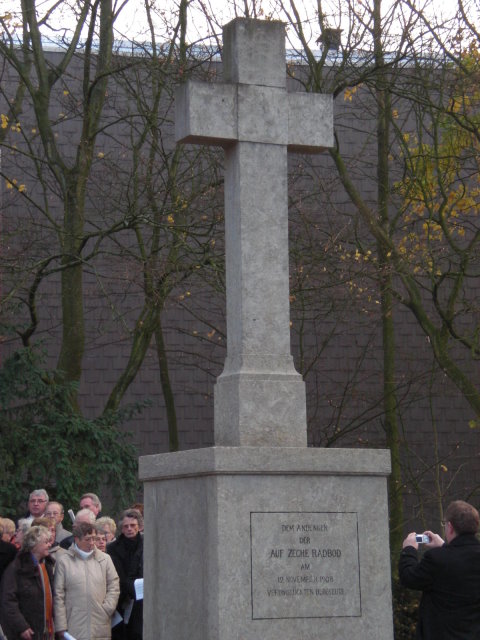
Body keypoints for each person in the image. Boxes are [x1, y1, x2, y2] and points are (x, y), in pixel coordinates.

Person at [399, 500, 480, 639]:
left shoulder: (437, 559)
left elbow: (409, 577)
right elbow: (461, 564)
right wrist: (444, 547)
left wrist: (409, 550)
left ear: (450, 527)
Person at [54, 521, 119, 640]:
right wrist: (61, 626)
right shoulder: (64, 561)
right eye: (87, 539)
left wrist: (107, 609)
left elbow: (114, 586)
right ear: (76, 539)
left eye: (94, 538)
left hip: (100, 622)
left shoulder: (105, 559)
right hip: (73, 623)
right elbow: (58, 595)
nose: (92, 543)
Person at [0, 525, 54, 640]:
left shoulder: (48, 565)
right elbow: (8, 600)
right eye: (46, 542)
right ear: (33, 544)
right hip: (27, 632)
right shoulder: (16, 568)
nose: (49, 545)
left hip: (46, 631)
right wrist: (21, 626)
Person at [107, 510, 143, 640]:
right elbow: (118, 575)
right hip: (123, 598)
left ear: (139, 526)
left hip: (142, 599)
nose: (129, 529)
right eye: (126, 526)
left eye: (133, 525)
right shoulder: (112, 548)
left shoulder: (147, 543)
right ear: (121, 529)